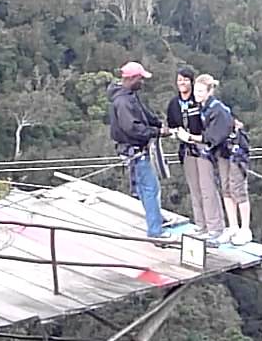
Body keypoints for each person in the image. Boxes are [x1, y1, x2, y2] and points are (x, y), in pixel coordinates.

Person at [173, 74, 253, 246]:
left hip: (235, 150)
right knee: (225, 188)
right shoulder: (203, 107)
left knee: (237, 188)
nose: (197, 94)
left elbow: (212, 137)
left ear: (210, 91)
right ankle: (232, 226)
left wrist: (189, 137)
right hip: (222, 152)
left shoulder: (218, 110)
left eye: (201, 91)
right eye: (196, 90)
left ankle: (245, 229)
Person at [107, 61, 172, 238]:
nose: (143, 82)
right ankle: (155, 231)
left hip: (135, 148)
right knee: (151, 188)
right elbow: (132, 128)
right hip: (134, 149)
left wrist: (159, 124)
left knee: (146, 187)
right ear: (133, 78)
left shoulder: (129, 95)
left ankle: (156, 219)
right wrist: (157, 132)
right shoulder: (123, 101)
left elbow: (144, 114)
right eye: (141, 79)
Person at [166, 67, 223, 240]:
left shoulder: (198, 100)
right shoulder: (174, 104)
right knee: (195, 188)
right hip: (186, 149)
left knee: (207, 188)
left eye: (185, 79)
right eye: (179, 80)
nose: (182, 83)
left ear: (192, 81)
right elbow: (171, 123)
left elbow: (211, 123)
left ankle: (215, 227)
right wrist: (176, 133)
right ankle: (201, 225)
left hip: (203, 148)